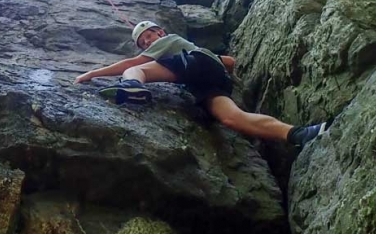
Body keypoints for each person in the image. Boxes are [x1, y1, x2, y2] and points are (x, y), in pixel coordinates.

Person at [74, 21, 328, 148]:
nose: (147, 42)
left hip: (194, 66)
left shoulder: (169, 41)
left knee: (134, 69)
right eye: (143, 42)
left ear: (160, 33)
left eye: (149, 36)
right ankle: (300, 133)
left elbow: (137, 61)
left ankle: (132, 87)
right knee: (233, 118)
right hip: (210, 77)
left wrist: (94, 73)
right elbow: (229, 61)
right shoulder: (191, 47)